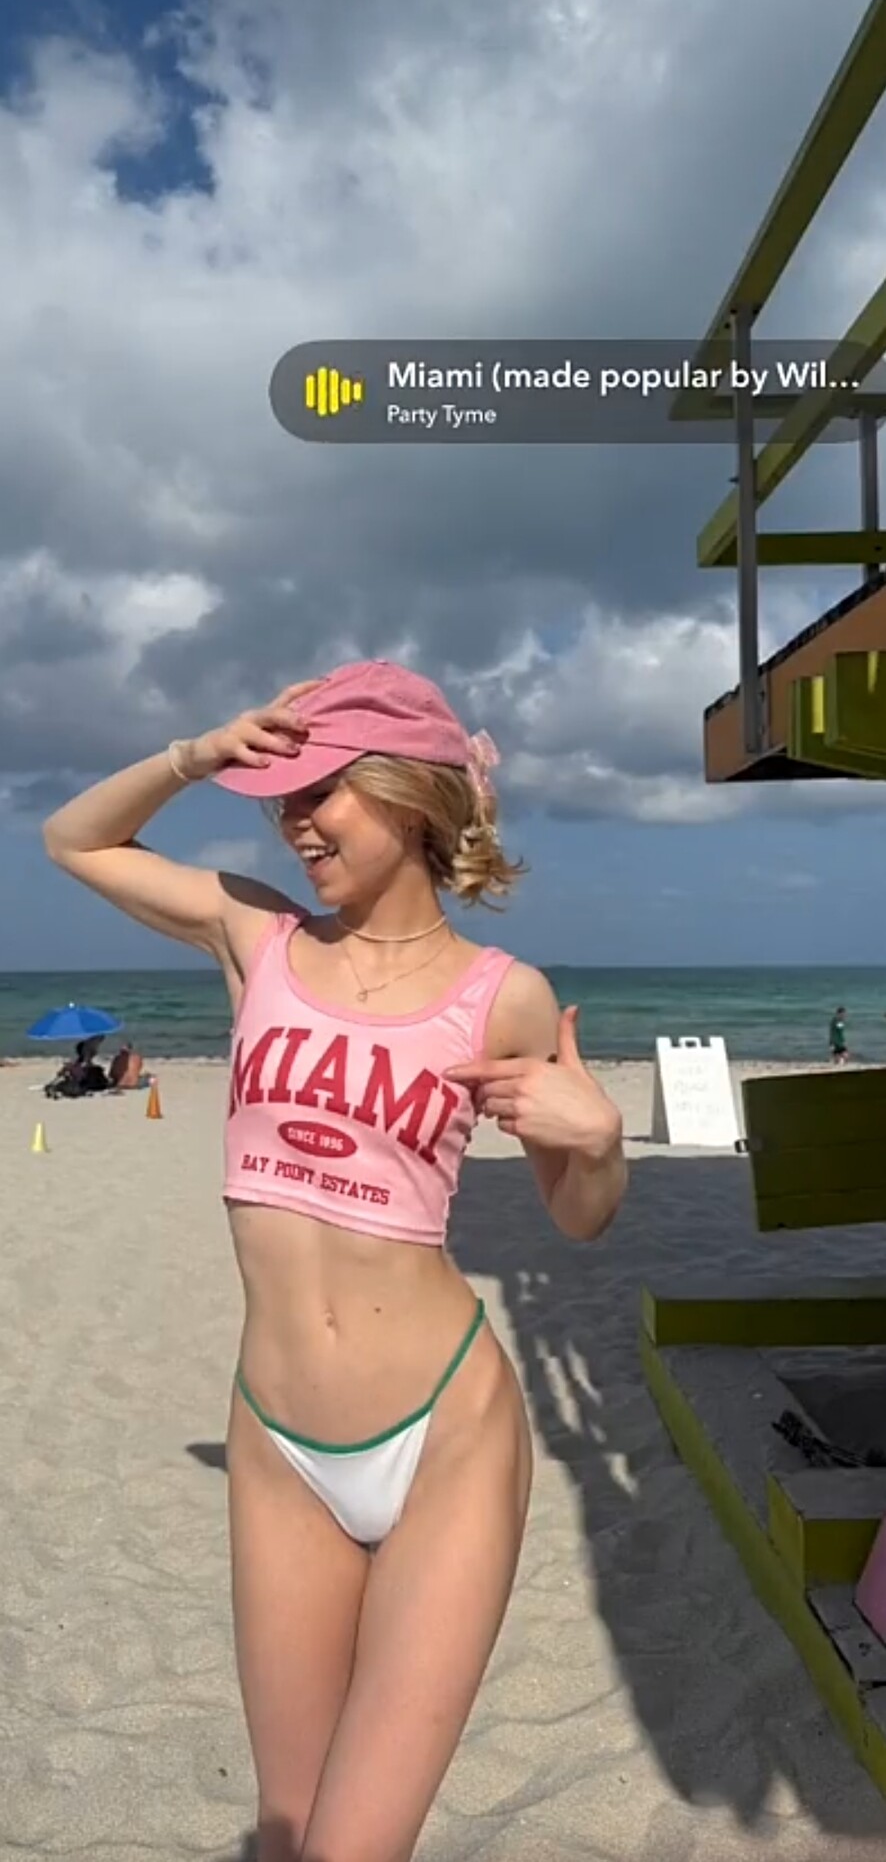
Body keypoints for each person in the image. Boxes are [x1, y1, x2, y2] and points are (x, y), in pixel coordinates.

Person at [41, 660, 627, 1862]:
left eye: (321, 794)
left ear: (409, 795)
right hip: (276, 1443)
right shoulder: (253, 936)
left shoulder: (503, 998)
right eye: (283, 800)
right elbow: (73, 840)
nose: (295, 823)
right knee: (291, 1830)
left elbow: (580, 1218)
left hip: (444, 1439)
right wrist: (199, 754)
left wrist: (599, 1144)